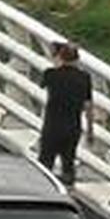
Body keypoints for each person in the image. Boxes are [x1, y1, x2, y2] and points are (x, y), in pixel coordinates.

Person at [38, 41, 96, 184]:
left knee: (45, 162)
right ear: (77, 59)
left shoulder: (50, 74)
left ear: (60, 57)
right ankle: (68, 189)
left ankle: (43, 190)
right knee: (68, 161)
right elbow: (88, 105)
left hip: (52, 125)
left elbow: (42, 84)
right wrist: (90, 131)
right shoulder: (84, 78)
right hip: (73, 126)